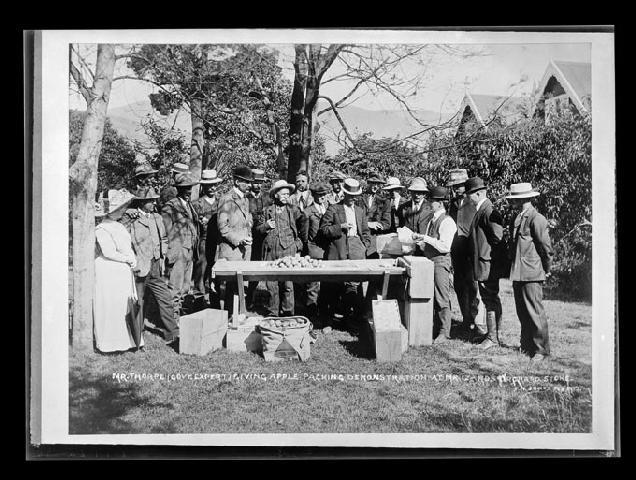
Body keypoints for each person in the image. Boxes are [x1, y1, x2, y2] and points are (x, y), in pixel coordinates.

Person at [506, 182, 554, 361]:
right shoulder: (517, 217)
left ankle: (541, 350)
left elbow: (545, 246)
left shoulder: (537, 218)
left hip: (532, 272)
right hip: (519, 272)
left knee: (534, 311)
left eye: (516, 199)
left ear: (525, 199)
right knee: (522, 311)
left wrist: (546, 268)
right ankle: (526, 345)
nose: (513, 202)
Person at [127, 186, 179, 347]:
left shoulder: (156, 217)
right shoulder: (131, 218)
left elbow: (163, 238)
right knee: (139, 301)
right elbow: (126, 242)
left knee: (165, 297)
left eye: (154, 200)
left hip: (156, 265)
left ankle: (173, 333)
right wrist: (134, 261)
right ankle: (136, 335)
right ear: (141, 203)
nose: (153, 203)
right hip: (140, 266)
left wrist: (162, 257)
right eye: (149, 201)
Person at [93, 189, 141, 353]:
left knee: (123, 306)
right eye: (119, 208)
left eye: (123, 207)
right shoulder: (102, 228)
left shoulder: (119, 225)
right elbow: (109, 252)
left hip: (121, 271)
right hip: (109, 270)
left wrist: (132, 258)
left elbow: (126, 247)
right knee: (111, 306)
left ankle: (126, 341)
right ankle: (110, 344)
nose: (123, 210)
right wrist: (127, 259)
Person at [320, 178, 371, 330]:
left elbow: (366, 231)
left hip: (356, 247)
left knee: (353, 285)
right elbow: (323, 230)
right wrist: (340, 227)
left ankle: (349, 319)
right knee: (333, 284)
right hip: (339, 246)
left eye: (355, 196)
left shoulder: (360, 211)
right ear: (344, 194)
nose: (352, 199)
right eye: (349, 195)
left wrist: (364, 245)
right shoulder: (334, 209)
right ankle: (328, 320)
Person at [465, 176, 506, 350]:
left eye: (470, 194)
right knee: (488, 299)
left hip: (487, 265)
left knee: (490, 300)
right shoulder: (482, 210)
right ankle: (490, 335)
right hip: (483, 263)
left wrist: (490, 260)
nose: (468, 198)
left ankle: (492, 338)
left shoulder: (488, 211)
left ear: (479, 193)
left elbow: (498, 238)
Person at [255, 180, 307, 317]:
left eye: (288, 194)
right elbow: (257, 230)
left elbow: (304, 227)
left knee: (287, 285)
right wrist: (265, 225)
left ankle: (288, 312)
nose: (286, 196)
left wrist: (298, 244)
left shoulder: (294, 210)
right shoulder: (267, 210)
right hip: (271, 250)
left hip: (288, 250)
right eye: (283, 194)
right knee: (271, 284)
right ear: (276, 195)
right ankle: (273, 312)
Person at [414, 186, 457, 344]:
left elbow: (445, 246)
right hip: (430, 261)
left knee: (441, 297)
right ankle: (436, 327)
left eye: (431, 201)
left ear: (440, 203)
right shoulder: (432, 220)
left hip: (441, 262)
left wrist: (425, 238)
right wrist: (421, 243)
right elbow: (431, 243)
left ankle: (444, 332)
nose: (429, 203)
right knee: (431, 295)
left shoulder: (447, 221)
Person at [447, 168, 484, 340]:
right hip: (457, 250)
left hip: (471, 251)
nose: (456, 189)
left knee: (472, 286)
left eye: (459, 185)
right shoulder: (453, 203)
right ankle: (465, 318)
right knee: (459, 285)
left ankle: (474, 321)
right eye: (454, 186)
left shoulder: (474, 202)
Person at [161, 173, 201, 324]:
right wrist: (171, 252)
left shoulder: (189, 205)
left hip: (190, 251)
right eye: (185, 188)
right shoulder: (170, 207)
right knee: (175, 288)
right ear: (178, 189)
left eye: (189, 188)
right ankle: (171, 321)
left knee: (185, 287)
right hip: (178, 252)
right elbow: (166, 232)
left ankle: (180, 317)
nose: (188, 191)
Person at [216, 165, 254, 314]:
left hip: (244, 250)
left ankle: (239, 316)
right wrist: (239, 239)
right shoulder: (226, 199)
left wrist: (248, 235)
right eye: (247, 182)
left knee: (241, 286)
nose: (250, 185)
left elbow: (245, 222)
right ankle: (229, 320)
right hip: (232, 250)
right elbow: (223, 227)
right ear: (237, 182)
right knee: (231, 288)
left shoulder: (245, 200)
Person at [191, 169, 223, 306]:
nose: (212, 188)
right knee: (201, 273)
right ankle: (198, 303)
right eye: (208, 185)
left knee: (216, 274)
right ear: (203, 186)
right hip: (203, 242)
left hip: (219, 243)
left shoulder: (221, 203)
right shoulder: (196, 205)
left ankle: (215, 304)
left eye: (214, 185)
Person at [301, 182, 331, 324]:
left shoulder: (330, 209)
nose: (322, 198)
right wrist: (308, 251)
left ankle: (324, 314)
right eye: (319, 195)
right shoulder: (307, 212)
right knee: (312, 286)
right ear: (313, 196)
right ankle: (311, 316)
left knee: (326, 285)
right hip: (314, 250)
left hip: (328, 251)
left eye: (324, 195)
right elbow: (305, 236)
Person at [247, 168, 271, 309]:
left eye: (260, 183)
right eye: (255, 182)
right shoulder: (246, 198)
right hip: (251, 237)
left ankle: (265, 300)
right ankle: (250, 298)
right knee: (252, 267)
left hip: (265, 236)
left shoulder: (267, 197)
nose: (258, 185)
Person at [359, 173, 391, 258]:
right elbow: (354, 218)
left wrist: (379, 225)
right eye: (373, 183)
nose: (375, 186)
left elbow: (387, 223)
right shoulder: (359, 199)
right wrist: (368, 224)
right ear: (368, 183)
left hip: (375, 239)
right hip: (360, 237)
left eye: (378, 184)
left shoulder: (384, 201)